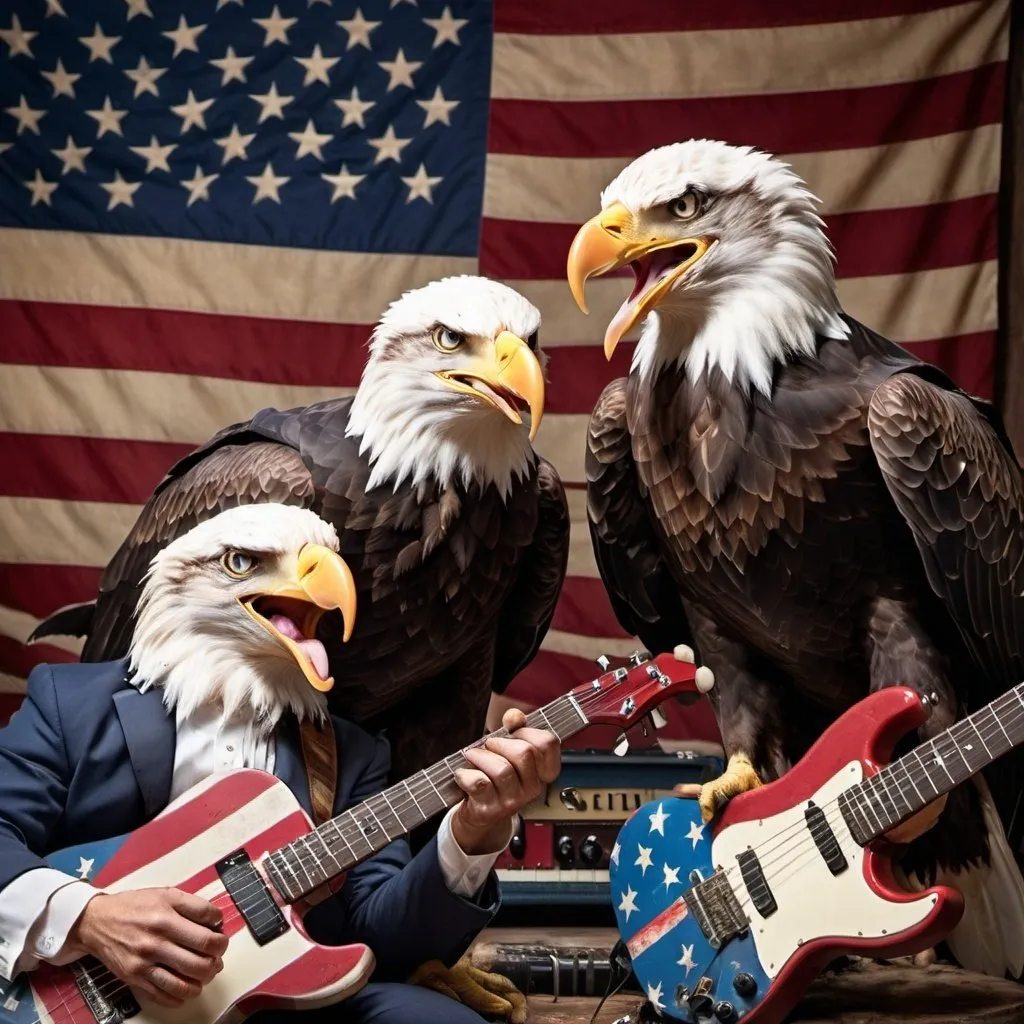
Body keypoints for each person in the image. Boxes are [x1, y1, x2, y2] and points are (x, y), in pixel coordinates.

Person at [0, 505, 561, 1023]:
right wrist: (89, 917)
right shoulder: (72, 705)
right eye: (244, 564)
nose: (316, 580)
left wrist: (471, 833)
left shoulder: (351, 754)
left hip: (281, 1005)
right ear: (179, 583)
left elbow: (382, 939)